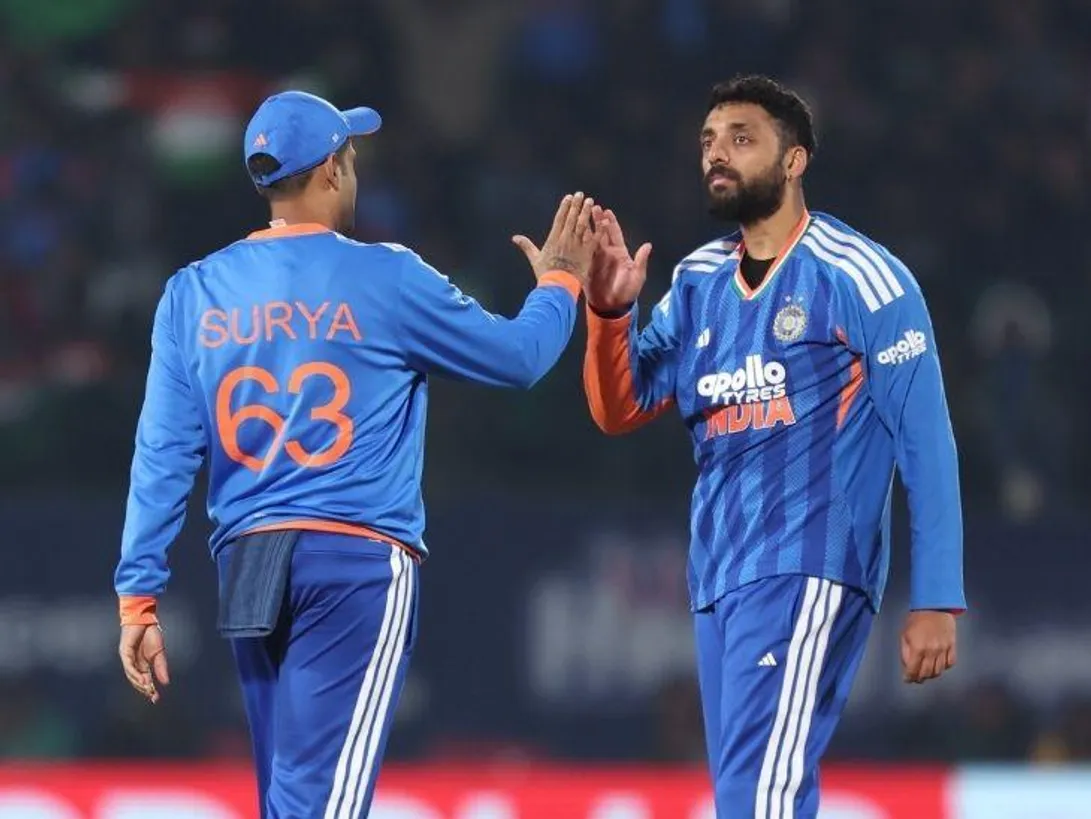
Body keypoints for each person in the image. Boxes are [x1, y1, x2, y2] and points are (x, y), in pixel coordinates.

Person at [113, 89, 597, 818]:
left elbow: (162, 452)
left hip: (248, 561)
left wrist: (137, 596)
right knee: (321, 804)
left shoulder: (193, 293)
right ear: (333, 169)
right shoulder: (386, 276)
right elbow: (519, 358)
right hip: (354, 557)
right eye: (352, 155)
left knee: (293, 799)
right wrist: (559, 281)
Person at [581, 75, 965, 817]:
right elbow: (618, 408)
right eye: (707, 141)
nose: (716, 154)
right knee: (748, 791)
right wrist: (607, 312)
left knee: (760, 790)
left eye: (740, 138)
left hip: (810, 561)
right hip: (718, 576)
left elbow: (926, 440)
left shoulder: (862, 277)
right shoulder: (695, 281)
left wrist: (937, 597)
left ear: (794, 160)